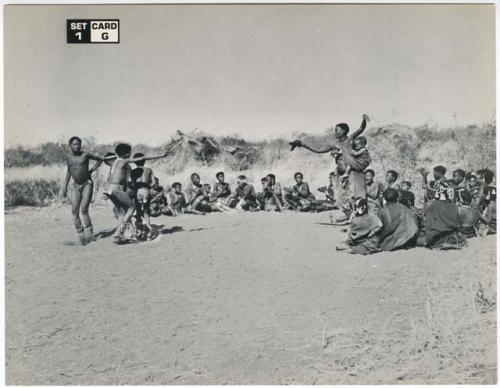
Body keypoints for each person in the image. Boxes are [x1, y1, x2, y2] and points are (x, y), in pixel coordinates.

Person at [290, 114, 370, 219]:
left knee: (357, 198)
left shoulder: (350, 140)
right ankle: (352, 219)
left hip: (352, 173)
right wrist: (302, 144)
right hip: (341, 176)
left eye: (337, 130)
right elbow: (319, 149)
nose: (335, 132)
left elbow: (360, 129)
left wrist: (364, 119)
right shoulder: (335, 144)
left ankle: (359, 221)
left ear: (344, 131)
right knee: (340, 200)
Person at [103, 143, 170, 241]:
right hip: (116, 188)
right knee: (131, 207)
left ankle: (123, 233)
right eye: (129, 152)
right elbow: (141, 159)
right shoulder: (123, 161)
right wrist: (161, 155)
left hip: (109, 188)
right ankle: (119, 232)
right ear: (126, 153)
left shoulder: (114, 162)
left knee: (122, 210)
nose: (130, 154)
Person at [61, 136, 108, 245]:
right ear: (70, 146)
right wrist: (64, 188)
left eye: (78, 144)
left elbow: (100, 159)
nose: (77, 146)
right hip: (76, 186)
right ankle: (80, 233)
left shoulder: (85, 155)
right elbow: (69, 171)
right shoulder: (68, 157)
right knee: (74, 210)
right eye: (74, 144)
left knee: (84, 209)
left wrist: (91, 170)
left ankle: (89, 233)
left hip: (87, 184)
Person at [423, 181, 467, 249]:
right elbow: (458, 223)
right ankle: (450, 243)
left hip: (437, 238)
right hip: (451, 236)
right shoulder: (454, 206)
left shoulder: (432, 205)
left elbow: (429, 224)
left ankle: (442, 244)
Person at [129, 153, 157, 239]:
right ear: (144, 161)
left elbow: (132, 184)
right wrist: (148, 188)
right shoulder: (149, 170)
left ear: (134, 162)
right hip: (146, 190)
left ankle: (140, 230)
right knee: (146, 210)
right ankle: (148, 228)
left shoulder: (133, 171)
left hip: (137, 191)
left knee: (138, 210)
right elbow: (154, 182)